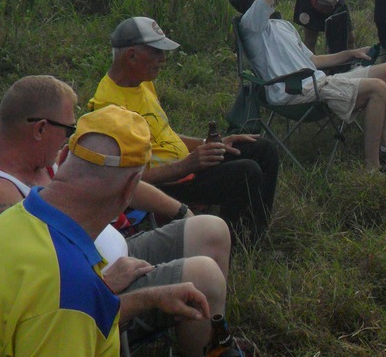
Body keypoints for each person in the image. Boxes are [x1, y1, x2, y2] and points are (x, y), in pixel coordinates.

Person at [0, 104, 256, 357]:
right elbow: (60, 311)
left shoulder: (14, 219)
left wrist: (148, 297)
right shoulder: (68, 292)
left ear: (63, 159)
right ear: (130, 189)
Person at [89, 17, 279, 245]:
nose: (163, 59)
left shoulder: (140, 82)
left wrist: (206, 145)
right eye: (157, 52)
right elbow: (128, 181)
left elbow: (163, 135)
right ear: (131, 56)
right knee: (246, 172)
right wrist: (188, 165)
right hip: (167, 184)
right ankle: (231, 244)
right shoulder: (109, 109)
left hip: (186, 167)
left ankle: (255, 234)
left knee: (263, 149)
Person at [228, 0, 386, 172]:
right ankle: (372, 167)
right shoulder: (251, 25)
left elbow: (314, 60)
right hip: (294, 92)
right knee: (377, 88)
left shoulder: (282, 25)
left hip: (316, 82)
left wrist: (350, 53)